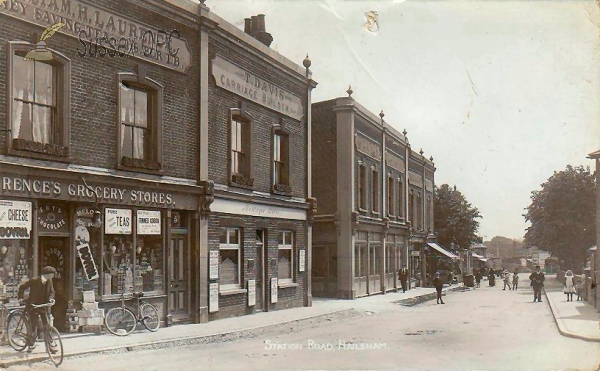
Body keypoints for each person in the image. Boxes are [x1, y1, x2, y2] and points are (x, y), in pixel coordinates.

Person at [18, 266, 57, 352]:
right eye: (52, 274)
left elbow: (52, 291)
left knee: (46, 325)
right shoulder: (34, 281)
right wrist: (20, 297)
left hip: (43, 306)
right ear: (48, 274)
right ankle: (31, 345)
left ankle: (50, 346)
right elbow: (22, 287)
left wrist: (51, 299)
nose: (53, 276)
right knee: (33, 326)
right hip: (33, 306)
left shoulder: (49, 281)